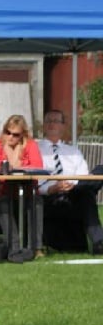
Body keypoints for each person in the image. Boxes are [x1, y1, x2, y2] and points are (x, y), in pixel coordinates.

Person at [0, 115, 44, 260]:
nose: (10, 137)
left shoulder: (30, 145)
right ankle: (14, 247)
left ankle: (36, 247)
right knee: (2, 204)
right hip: (5, 190)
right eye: (7, 132)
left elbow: (38, 166)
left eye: (15, 134)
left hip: (28, 190)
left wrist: (20, 168)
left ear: (23, 135)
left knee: (36, 203)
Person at [37, 109, 103, 254]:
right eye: (49, 121)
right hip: (49, 196)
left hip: (75, 191)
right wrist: (53, 187)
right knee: (87, 192)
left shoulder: (73, 151)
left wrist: (70, 184)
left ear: (63, 126)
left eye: (56, 121)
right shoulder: (35, 149)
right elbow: (34, 180)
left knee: (94, 179)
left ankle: (99, 243)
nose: (52, 124)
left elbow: (83, 174)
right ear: (43, 126)